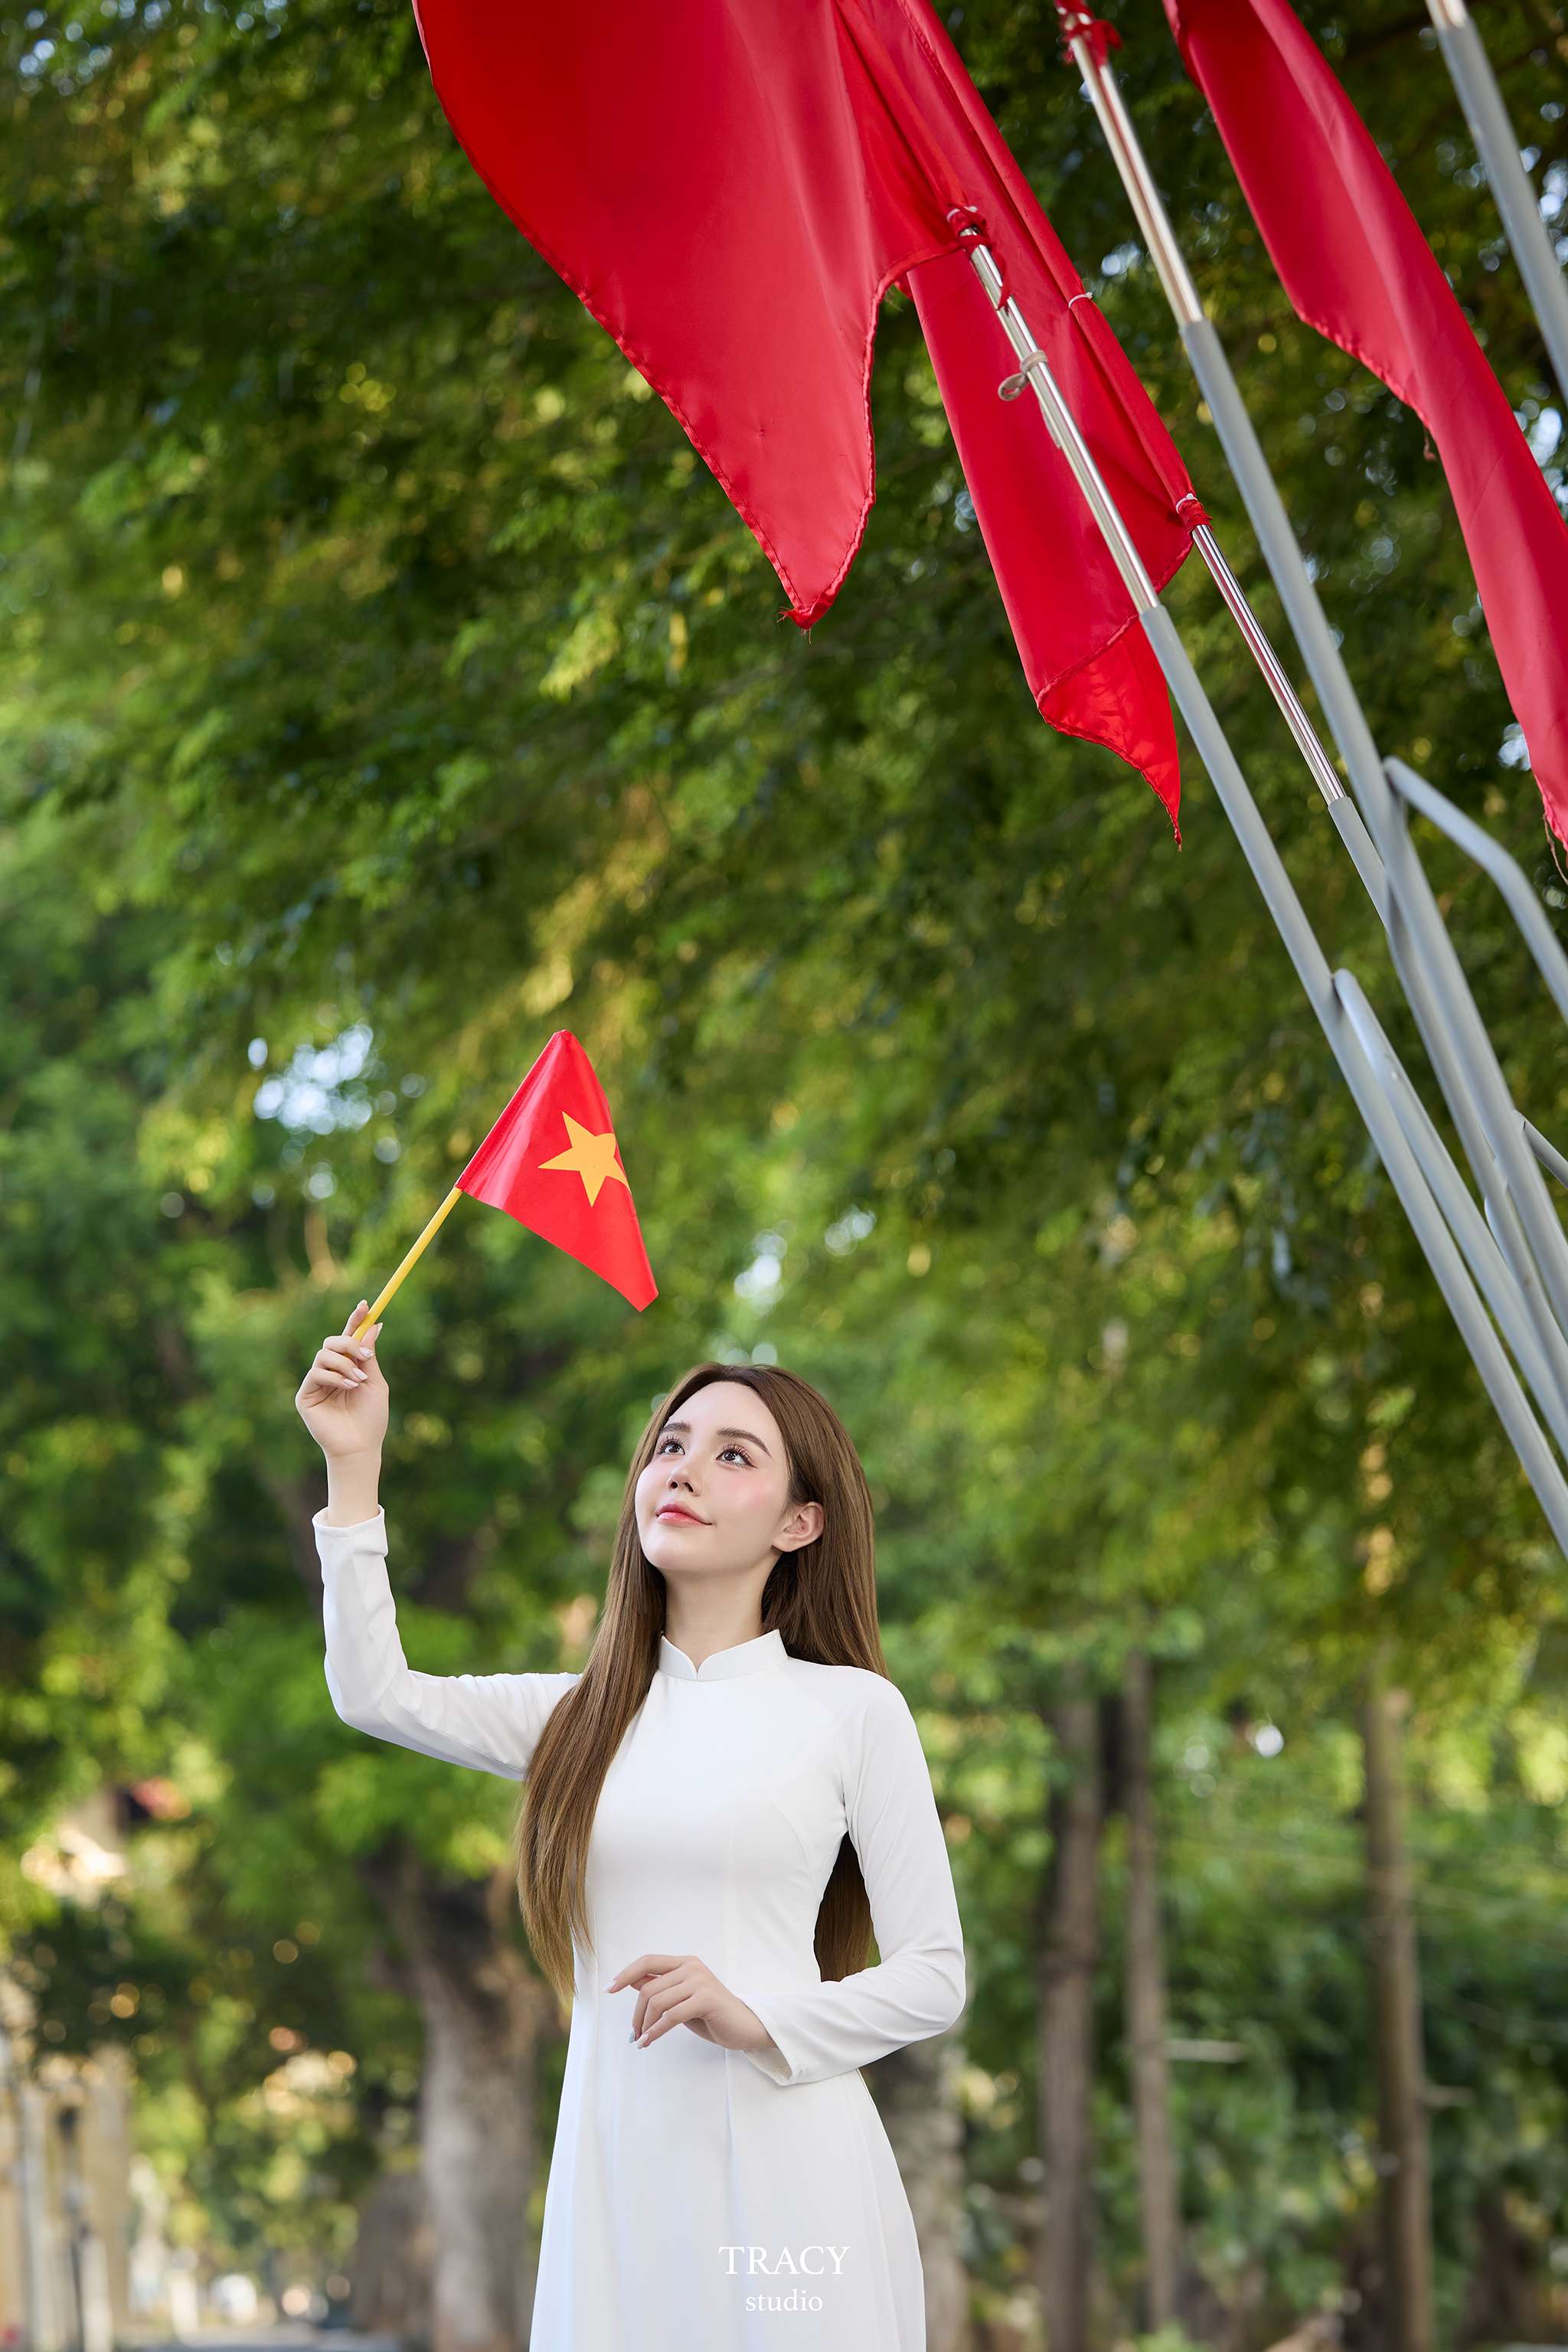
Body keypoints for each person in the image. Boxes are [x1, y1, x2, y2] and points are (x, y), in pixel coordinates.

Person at [296, 1300, 967, 2350]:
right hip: (619, 2172)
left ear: (800, 1521)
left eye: (733, 1454)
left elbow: (936, 1973)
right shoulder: (578, 1719)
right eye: (671, 1446)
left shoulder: (850, 1712)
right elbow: (372, 1692)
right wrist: (353, 1466)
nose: (684, 1470)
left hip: (793, 2175)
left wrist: (756, 2016)